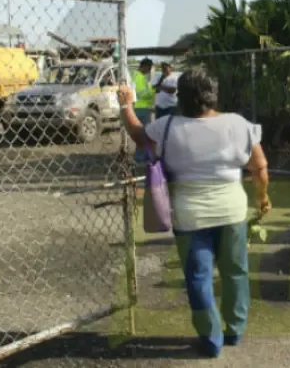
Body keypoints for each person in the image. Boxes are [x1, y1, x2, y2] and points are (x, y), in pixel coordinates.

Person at [116, 69, 271, 358]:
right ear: (214, 95)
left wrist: (126, 104)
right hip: (233, 213)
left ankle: (211, 338)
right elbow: (259, 167)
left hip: (190, 217)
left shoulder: (168, 125)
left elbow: (138, 134)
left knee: (198, 276)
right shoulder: (238, 124)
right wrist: (262, 198)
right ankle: (235, 330)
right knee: (235, 272)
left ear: (182, 97)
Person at [132, 58, 156, 163]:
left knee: (142, 134)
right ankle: (140, 157)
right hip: (141, 108)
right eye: (149, 68)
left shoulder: (135, 75)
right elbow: (143, 94)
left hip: (137, 107)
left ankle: (142, 155)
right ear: (145, 66)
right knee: (144, 134)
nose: (149, 71)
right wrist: (153, 90)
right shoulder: (140, 77)